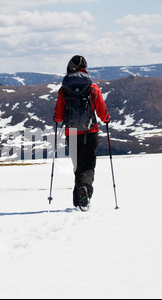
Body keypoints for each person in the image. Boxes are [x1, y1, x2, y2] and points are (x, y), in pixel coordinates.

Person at [53, 55, 110, 211]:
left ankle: (78, 202)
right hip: (90, 131)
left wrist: (56, 118)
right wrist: (106, 119)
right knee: (88, 166)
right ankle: (84, 192)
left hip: (71, 132)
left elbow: (58, 116)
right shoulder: (92, 88)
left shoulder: (64, 89)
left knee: (78, 167)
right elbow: (102, 110)